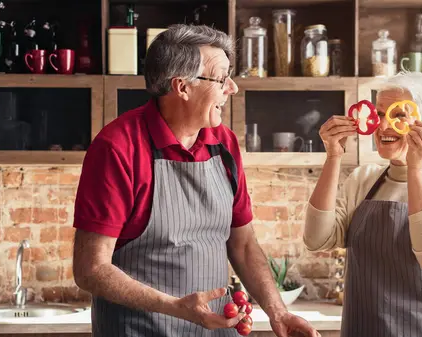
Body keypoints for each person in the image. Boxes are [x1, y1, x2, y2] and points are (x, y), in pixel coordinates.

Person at [72, 24, 319, 337]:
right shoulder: (118, 148)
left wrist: (277, 312)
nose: (232, 88)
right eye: (221, 78)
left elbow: (242, 245)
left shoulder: (224, 143)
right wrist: (176, 307)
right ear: (182, 87)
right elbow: (91, 269)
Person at [303, 71, 422, 336]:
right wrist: (333, 157)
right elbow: (316, 239)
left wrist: (417, 170)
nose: (384, 126)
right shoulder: (363, 179)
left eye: (398, 116)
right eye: (380, 114)